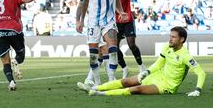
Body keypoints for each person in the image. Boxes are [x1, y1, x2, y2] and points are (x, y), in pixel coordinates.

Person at [77, 26, 206, 97]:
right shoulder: (167, 47)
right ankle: (94, 87)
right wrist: (147, 71)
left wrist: (198, 90)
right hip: (157, 76)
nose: (170, 39)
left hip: (167, 86)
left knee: (136, 89)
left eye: (173, 37)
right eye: (170, 36)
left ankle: (99, 94)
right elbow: (159, 63)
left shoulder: (186, 56)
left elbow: (201, 73)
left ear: (182, 39)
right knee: (127, 81)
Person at [76, 0, 127, 85]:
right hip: (94, 22)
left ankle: (110, 80)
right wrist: (81, 20)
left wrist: (121, 11)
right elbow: (84, 2)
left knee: (113, 49)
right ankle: (97, 83)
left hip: (109, 21)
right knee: (94, 55)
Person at [115, 0, 151, 78]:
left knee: (131, 45)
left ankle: (141, 65)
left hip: (127, 20)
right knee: (114, 48)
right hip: (115, 22)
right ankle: (125, 68)